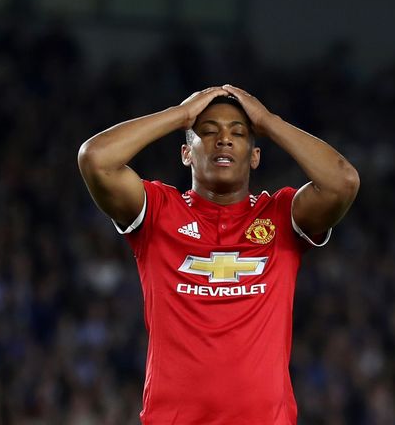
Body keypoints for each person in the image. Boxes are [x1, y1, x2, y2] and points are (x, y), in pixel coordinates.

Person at [77, 84, 359, 424]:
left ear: (255, 156)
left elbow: (342, 181)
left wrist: (268, 122)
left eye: (238, 133)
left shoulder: (281, 216)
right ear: (186, 153)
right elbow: (96, 160)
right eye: (207, 132)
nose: (223, 139)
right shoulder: (158, 212)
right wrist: (181, 115)